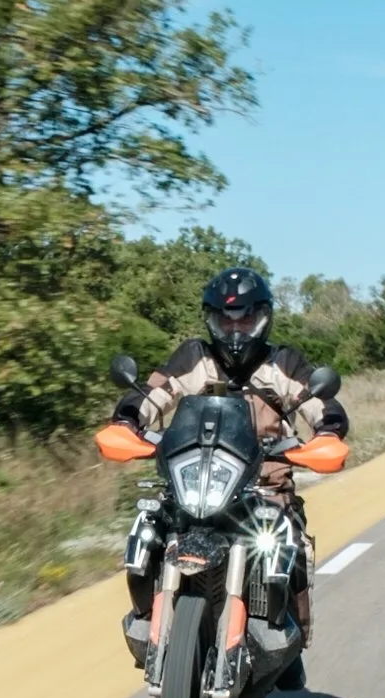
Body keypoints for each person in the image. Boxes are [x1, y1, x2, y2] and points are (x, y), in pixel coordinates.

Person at [115, 266, 348, 656]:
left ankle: (286, 642)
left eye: (245, 319)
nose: (236, 329)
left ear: (263, 319)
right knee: (149, 526)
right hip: (194, 486)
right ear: (211, 320)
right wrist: (127, 421)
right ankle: (145, 614)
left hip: (264, 490)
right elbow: (155, 391)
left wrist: (328, 431)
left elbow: (321, 402)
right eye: (226, 319)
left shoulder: (283, 363)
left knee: (287, 544)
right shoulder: (194, 358)